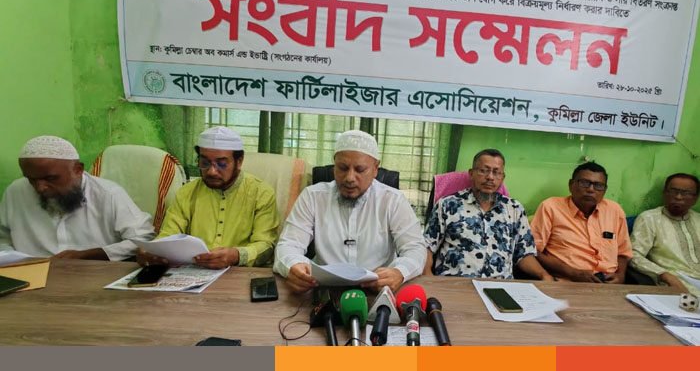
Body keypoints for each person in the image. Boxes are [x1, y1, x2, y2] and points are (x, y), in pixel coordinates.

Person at [273, 130, 426, 293]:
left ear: (375, 169)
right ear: (334, 165)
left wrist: (399, 272)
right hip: (323, 291)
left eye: (360, 170)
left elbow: (415, 248)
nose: (349, 178)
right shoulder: (313, 196)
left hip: (377, 291)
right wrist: (293, 266)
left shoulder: (393, 200)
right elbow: (288, 245)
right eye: (343, 168)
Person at [137, 126, 279, 269]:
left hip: (239, 273)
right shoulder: (186, 193)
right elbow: (168, 236)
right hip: (192, 272)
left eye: (222, 164)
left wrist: (236, 255)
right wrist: (152, 252)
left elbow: (266, 245)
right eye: (204, 163)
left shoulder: (261, 193)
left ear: (239, 161)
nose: (212, 171)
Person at [0, 135, 154, 260]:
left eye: (51, 178)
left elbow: (143, 239)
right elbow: (3, 240)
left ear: (78, 170)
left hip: (94, 275)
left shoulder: (108, 194)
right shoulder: (15, 192)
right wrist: (16, 260)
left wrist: (89, 255)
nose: (40, 188)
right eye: (31, 179)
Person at [424, 149, 552, 280]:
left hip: (500, 286)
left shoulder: (514, 209)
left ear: (502, 178)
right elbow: (427, 246)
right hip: (455, 284)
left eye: (496, 172)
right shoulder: (447, 205)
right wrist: (427, 276)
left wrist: (544, 275)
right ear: (471, 173)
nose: (490, 177)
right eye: (484, 170)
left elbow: (524, 254)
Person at [531, 162, 632, 283]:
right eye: (584, 183)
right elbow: (533, 250)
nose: (590, 189)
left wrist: (620, 275)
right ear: (571, 185)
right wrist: (571, 272)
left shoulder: (614, 210)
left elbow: (623, 252)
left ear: (604, 190)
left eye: (598, 185)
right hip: (567, 282)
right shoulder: (551, 207)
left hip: (608, 284)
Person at [630, 173, 700, 294]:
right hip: (677, 281)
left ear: (695, 198)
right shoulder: (649, 218)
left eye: (686, 193)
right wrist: (663, 274)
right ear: (664, 193)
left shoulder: (698, 219)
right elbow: (633, 255)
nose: (678, 197)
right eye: (673, 191)